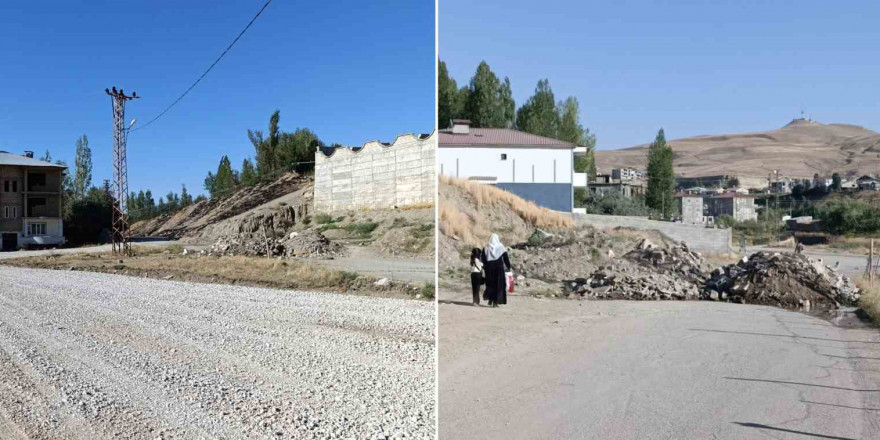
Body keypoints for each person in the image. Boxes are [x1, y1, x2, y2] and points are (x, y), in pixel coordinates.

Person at [482, 233, 512, 307]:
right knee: (498, 285)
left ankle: (490, 299)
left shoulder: (486, 248)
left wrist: (485, 268)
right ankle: (495, 302)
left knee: (490, 285)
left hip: (489, 270)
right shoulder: (501, 247)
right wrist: (508, 267)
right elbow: (506, 258)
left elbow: (483, 259)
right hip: (499, 270)